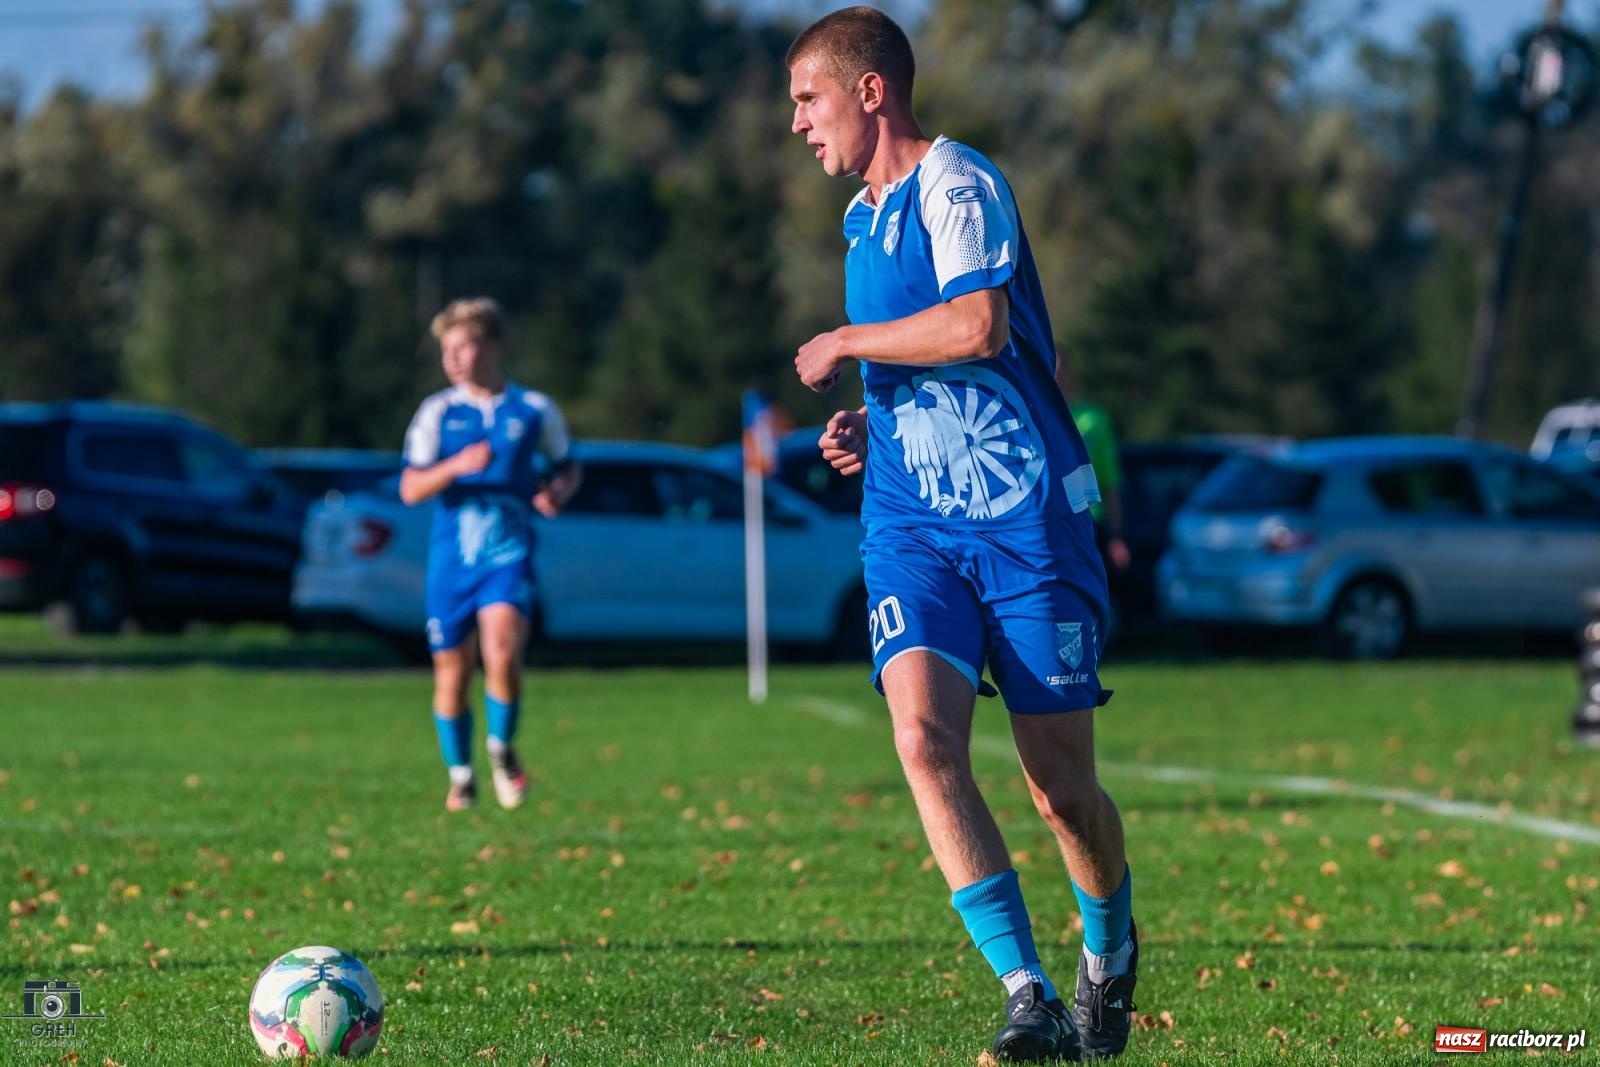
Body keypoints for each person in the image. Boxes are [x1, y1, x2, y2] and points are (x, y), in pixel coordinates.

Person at [788, 8, 1138, 1061]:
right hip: (910, 525)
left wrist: (848, 341)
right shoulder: (860, 219)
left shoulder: (956, 183)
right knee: (921, 738)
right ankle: (1025, 992)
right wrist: (869, 418)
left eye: (806, 100)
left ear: (868, 91)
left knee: (1060, 790)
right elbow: (924, 360)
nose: (798, 124)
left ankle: (1108, 949)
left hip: (1024, 519)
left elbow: (980, 325)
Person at [399, 298, 581, 813]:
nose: (453, 359)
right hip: (453, 560)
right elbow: (411, 488)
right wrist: (456, 466)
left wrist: (558, 492)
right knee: (452, 674)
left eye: (463, 346)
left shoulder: (533, 410)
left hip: (508, 553)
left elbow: (568, 466)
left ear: (493, 346)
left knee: (501, 653)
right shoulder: (438, 412)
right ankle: (461, 776)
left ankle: (501, 749)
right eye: (446, 350)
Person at [1055, 353, 1131, 573]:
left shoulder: (1094, 418)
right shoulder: (1033, 416)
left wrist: (1117, 535)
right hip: (1053, 518)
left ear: (1070, 376)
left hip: (1089, 518)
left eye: (1061, 371)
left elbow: (1110, 477)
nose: (1057, 377)